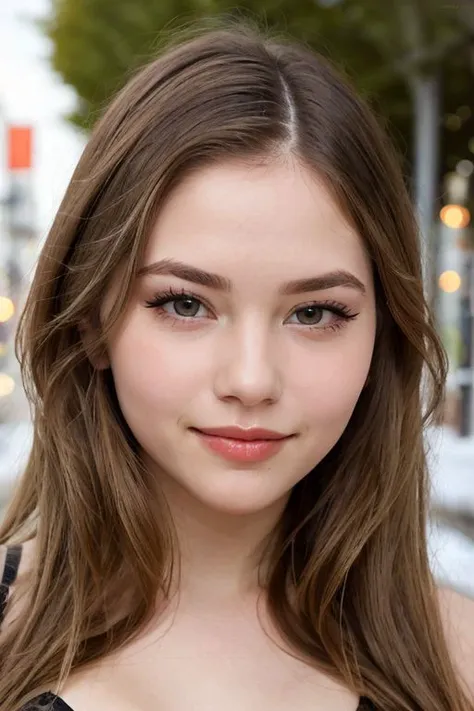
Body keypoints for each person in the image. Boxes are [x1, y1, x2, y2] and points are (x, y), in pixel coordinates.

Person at [0, 16, 473, 711]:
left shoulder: (456, 663)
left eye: (315, 313)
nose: (251, 380)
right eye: (185, 304)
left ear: (383, 338)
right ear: (93, 319)